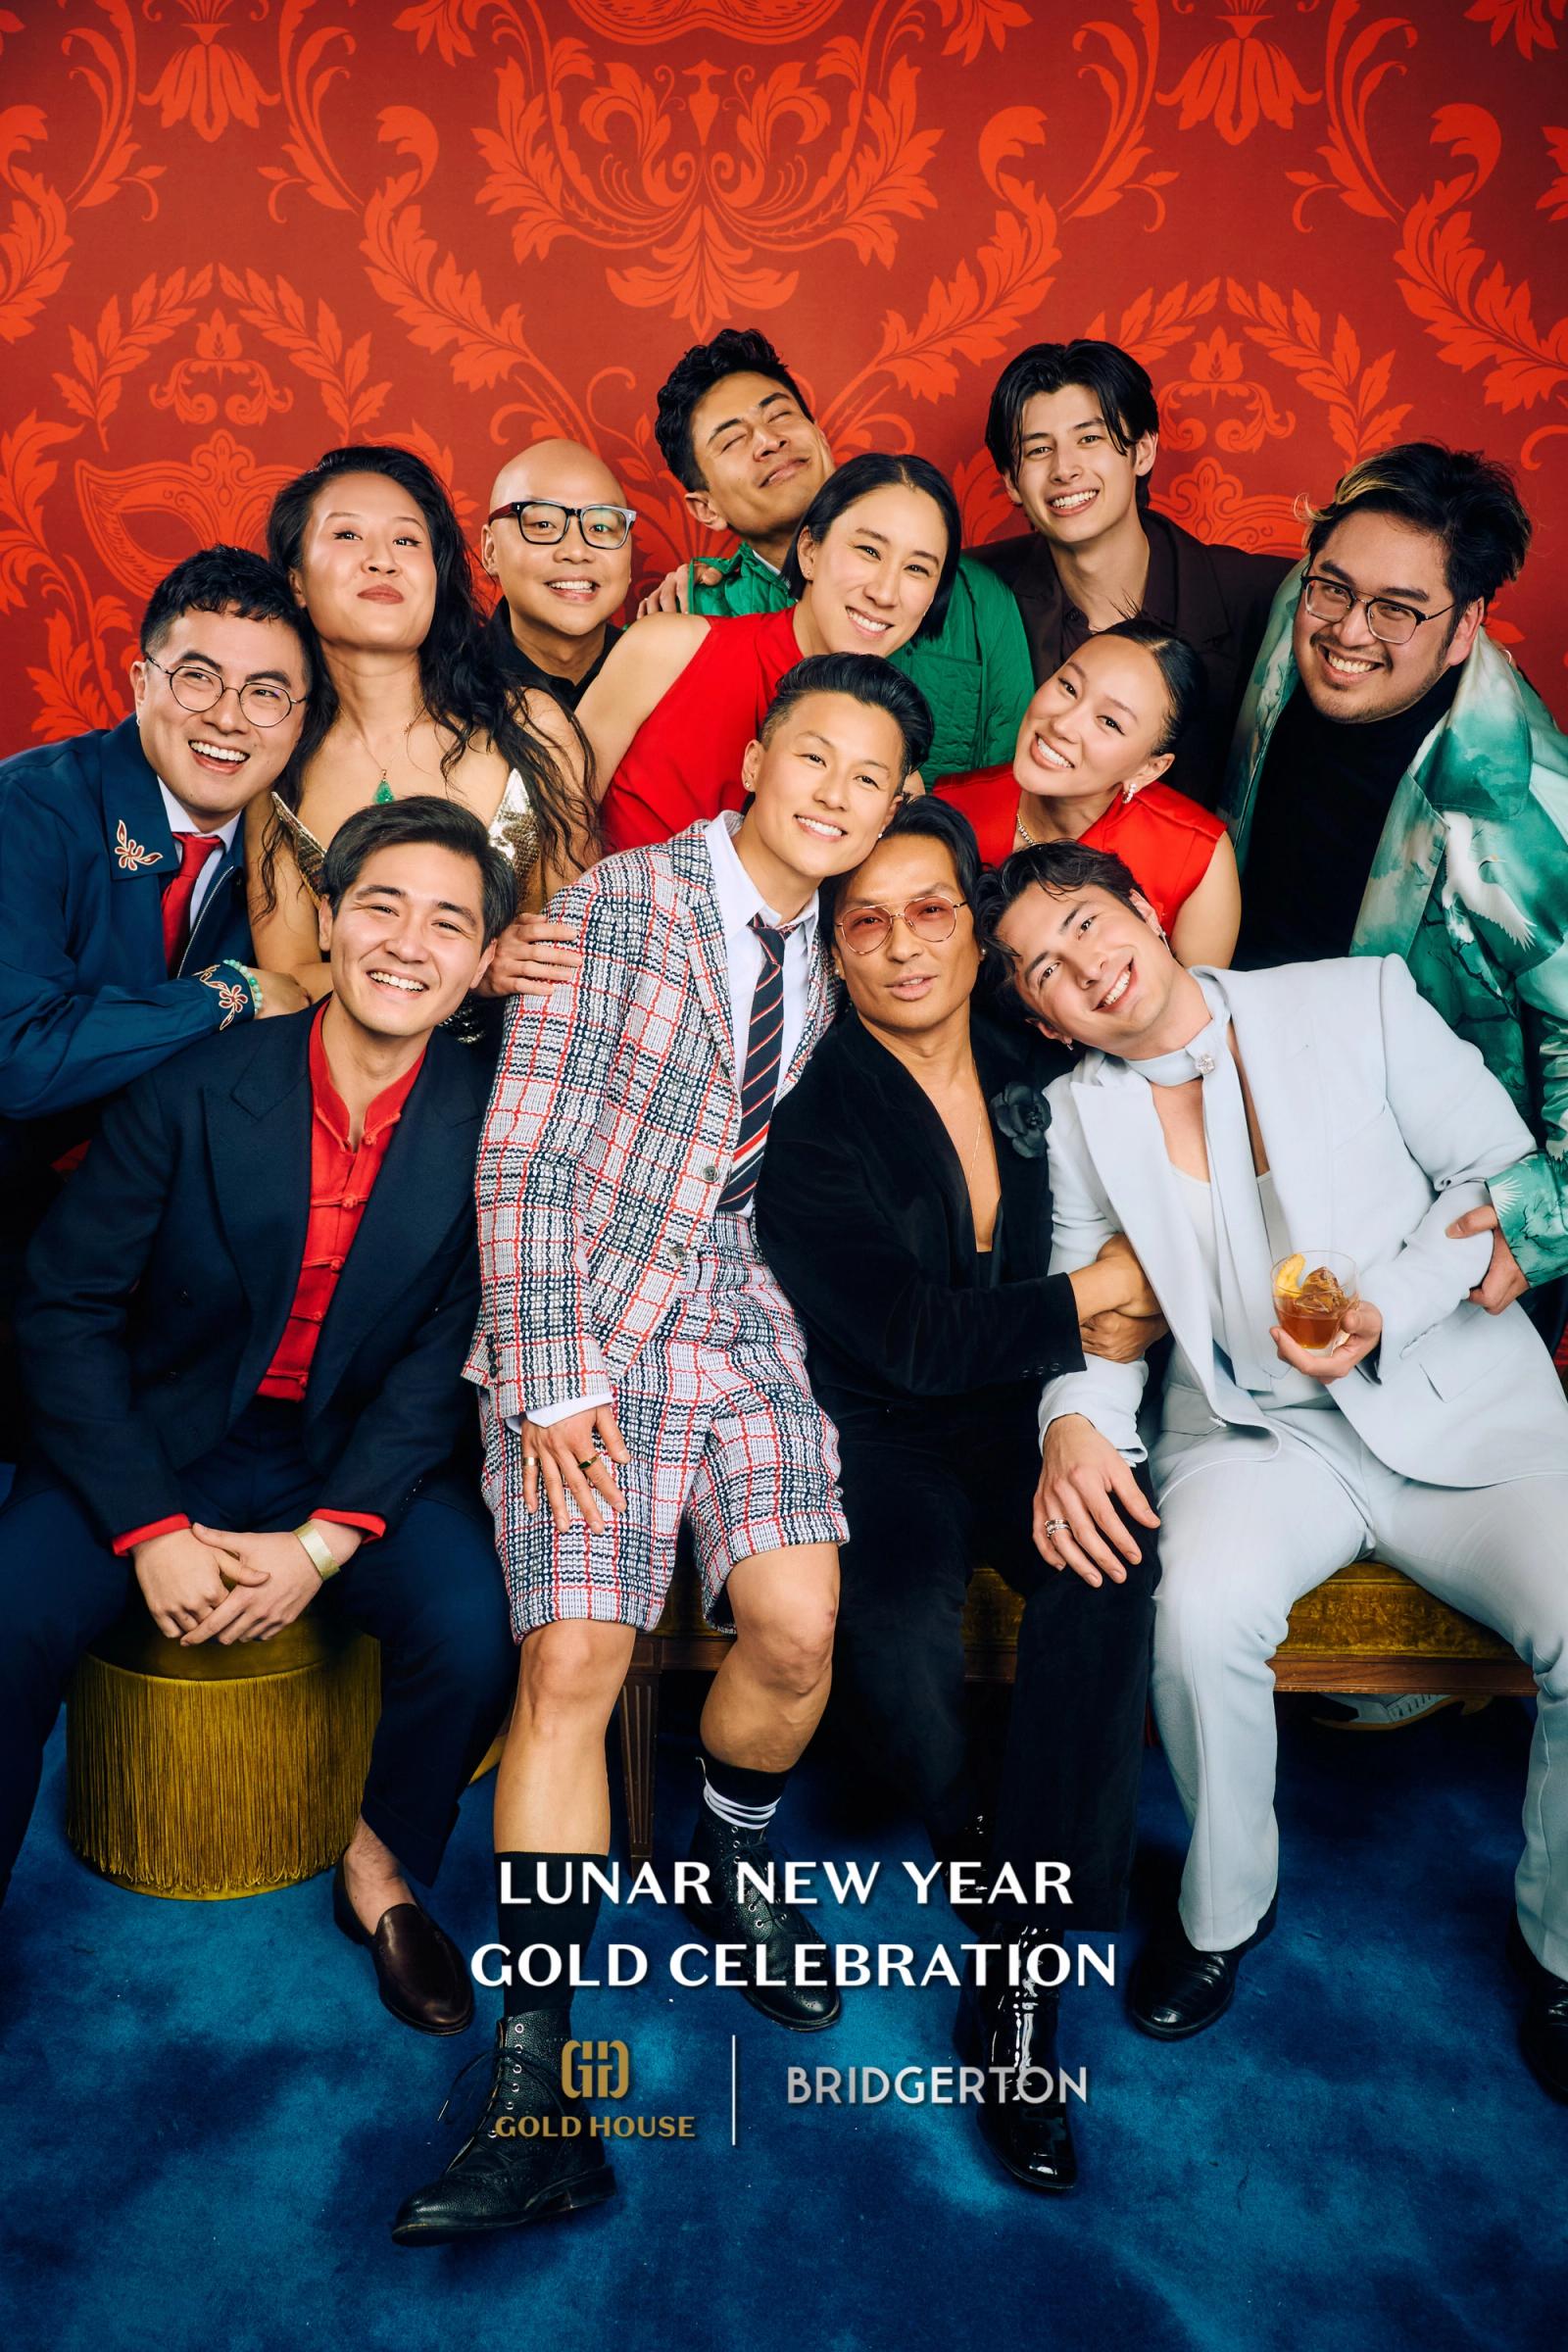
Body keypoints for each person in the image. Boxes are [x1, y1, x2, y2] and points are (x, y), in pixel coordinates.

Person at [392, 653, 928, 2247]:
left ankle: (728, 1848)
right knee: (572, 1663)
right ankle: (537, 2080)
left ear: (896, 803)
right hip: (590, 1325)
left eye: (868, 777)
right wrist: (555, 1383)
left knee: (799, 1627)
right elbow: (530, 1149)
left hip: (739, 1308)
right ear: (755, 755)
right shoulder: (620, 910)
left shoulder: (835, 944)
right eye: (811, 757)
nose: (831, 793)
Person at [982, 837, 1568, 2105]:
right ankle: (1222, 1911)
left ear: (1142, 904)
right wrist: (1074, 1422)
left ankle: (1561, 1947)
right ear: (1038, 1013)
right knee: (1195, 1614)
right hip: (1257, 1436)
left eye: (1086, 923)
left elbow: (1505, 1180)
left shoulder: (1356, 995)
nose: (1081, 968)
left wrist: (1388, 1308)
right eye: (1042, 970)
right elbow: (1088, 1313)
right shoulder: (1079, 1119)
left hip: (1457, 1405)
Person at [0, 800, 519, 2038]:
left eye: (450, 922)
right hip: (156, 1433)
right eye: (382, 906)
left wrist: (324, 1543)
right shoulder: (192, 1087)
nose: (409, 943)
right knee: (8, 1612)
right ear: (330, 922)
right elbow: (63, 1311)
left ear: (482, 960)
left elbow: (441, 1364)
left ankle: (381, 1868)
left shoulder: (493, 1124)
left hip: (345, 1451)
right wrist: (149, 1527)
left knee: (475, 1627)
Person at [756, 797, 1164, 2193]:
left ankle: (1025, 1972)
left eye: (930, 907)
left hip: (1037, 1411)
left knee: (1112, 1565)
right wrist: (1097, 1300)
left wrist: (1089, 1372)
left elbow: (1161, 1165)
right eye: (864, 920)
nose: (902, 942)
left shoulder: (1032, 1043)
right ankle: (975, 1827)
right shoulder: (808, 1119)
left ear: (976, 923)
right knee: (899, 1640)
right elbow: (912, 1337)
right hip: (884, 1426)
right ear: (838, 951)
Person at [1227, 443, 1568, 1346]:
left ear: (1466, 626)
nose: (1347, 631)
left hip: (1434, 1197)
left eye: (1398, 611)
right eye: (1333, 588)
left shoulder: (1522, 796)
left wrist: (1547, 1217)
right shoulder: (1293, 618)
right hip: (1267, 1114)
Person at [0, 546, 314, 1437]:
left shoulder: (288, 859)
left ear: (296, 719)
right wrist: (227, 994)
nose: (228, 719)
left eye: (265, 694)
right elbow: (19, 1059)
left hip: (127, 1272)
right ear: (141, 680)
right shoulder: (28, 809)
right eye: (198, 678)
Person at [250, 442, 596, 1007]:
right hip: (350, 1074)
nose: (382, 559)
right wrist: (460, 971)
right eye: (347, 535)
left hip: (515, 1069)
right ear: (296, 581)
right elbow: (287, 983)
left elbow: (574, 953)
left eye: (407, 541)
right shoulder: (277, 757)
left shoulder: (531, 725)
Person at [641, 326, 1035, 779]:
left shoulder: (977, 599)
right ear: (705, 507)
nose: (769, 441)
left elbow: (1010, 790)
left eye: (782, 416)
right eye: (732, 440)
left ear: (820, 436)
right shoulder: (693, 617)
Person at [578, 452, 959, 856]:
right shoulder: (667, 650)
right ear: (809, 551)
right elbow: (555, 814)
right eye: (868, 551)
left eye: (917, 569)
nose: (884, 592)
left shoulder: (893, 779)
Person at [971, 339, 1293, 808]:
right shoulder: (973, 591)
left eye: (1089, 438)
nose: (1065, 469)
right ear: (1011, 483)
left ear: (1142, 452)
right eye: (1039, 450)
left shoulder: (1263, 599)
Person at [936, 617, 1240, 965]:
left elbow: (1198, 1015)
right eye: (1068, 687)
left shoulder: (1196, 857)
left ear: (1149, 768)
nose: (1062, 724)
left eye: (1110, 722)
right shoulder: (950, 809)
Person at [478, 437, 632, 710]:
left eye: (600, 527)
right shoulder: (439, 685)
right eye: (543, 523)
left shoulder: (665, 678)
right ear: (491, 550)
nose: (576, 551)